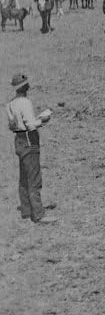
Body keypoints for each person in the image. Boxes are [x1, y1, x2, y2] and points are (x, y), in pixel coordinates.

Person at [6, 74, 55, 224]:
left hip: (19, 141)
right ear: (25, 86)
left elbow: (12, 125)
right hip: (29, 140)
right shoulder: (25, 102)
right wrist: (43, 120)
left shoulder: (10, 104)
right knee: (34, 178)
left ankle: (26, 210)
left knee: (24, 177)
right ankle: (39, 215)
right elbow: (31, 125)